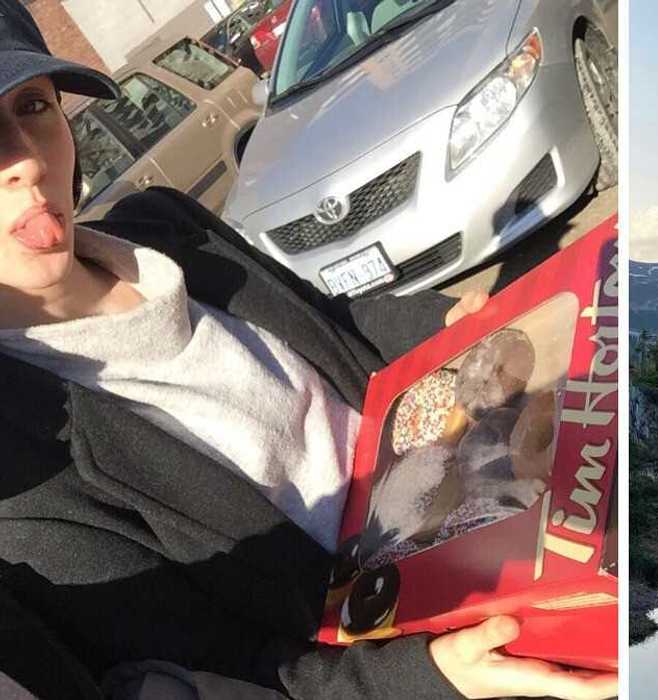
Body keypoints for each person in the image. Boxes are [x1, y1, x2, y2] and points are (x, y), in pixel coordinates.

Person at [0, 2, 617, 699]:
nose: (25, 158)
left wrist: (451, 323)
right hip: (454, 649)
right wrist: (432, 678)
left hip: (528, 513)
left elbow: (335, 318)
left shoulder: (165, 227)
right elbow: (222, 672)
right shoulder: (20, 467)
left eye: (33, 105)